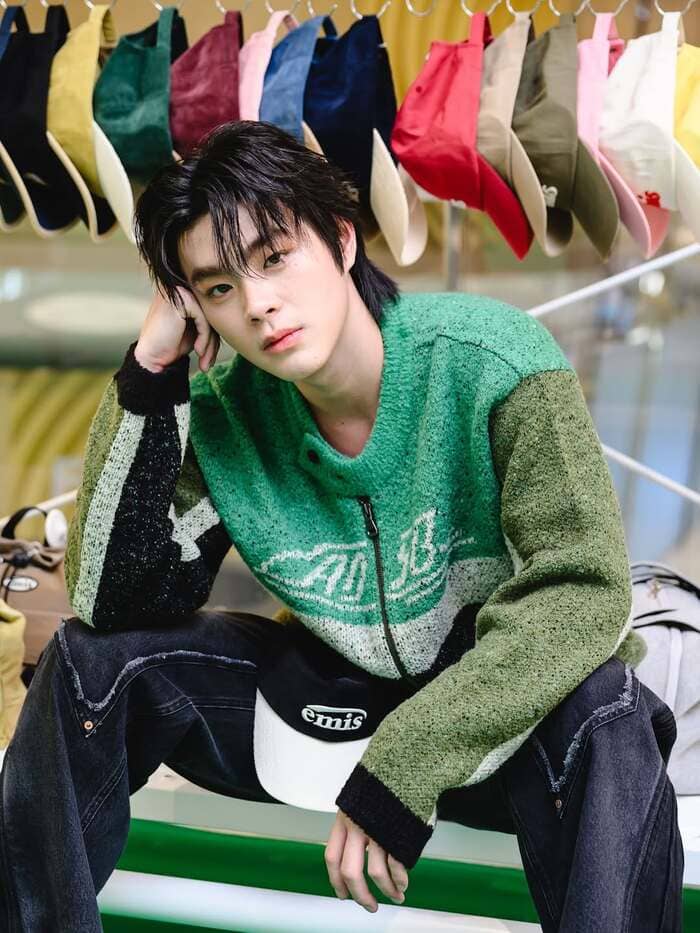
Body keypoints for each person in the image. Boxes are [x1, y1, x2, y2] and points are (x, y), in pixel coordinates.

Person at [0, 120, 684, 932]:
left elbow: (580, 592)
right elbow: (111, 600)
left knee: (608, 703)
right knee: (89, 662)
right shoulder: (225, 416)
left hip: (497, 721)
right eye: (217, 288)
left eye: (273, 257)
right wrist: (149, 377)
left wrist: (409, 761)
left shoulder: (493, 362)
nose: (257, 304)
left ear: (342, 238)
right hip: (323, 703)